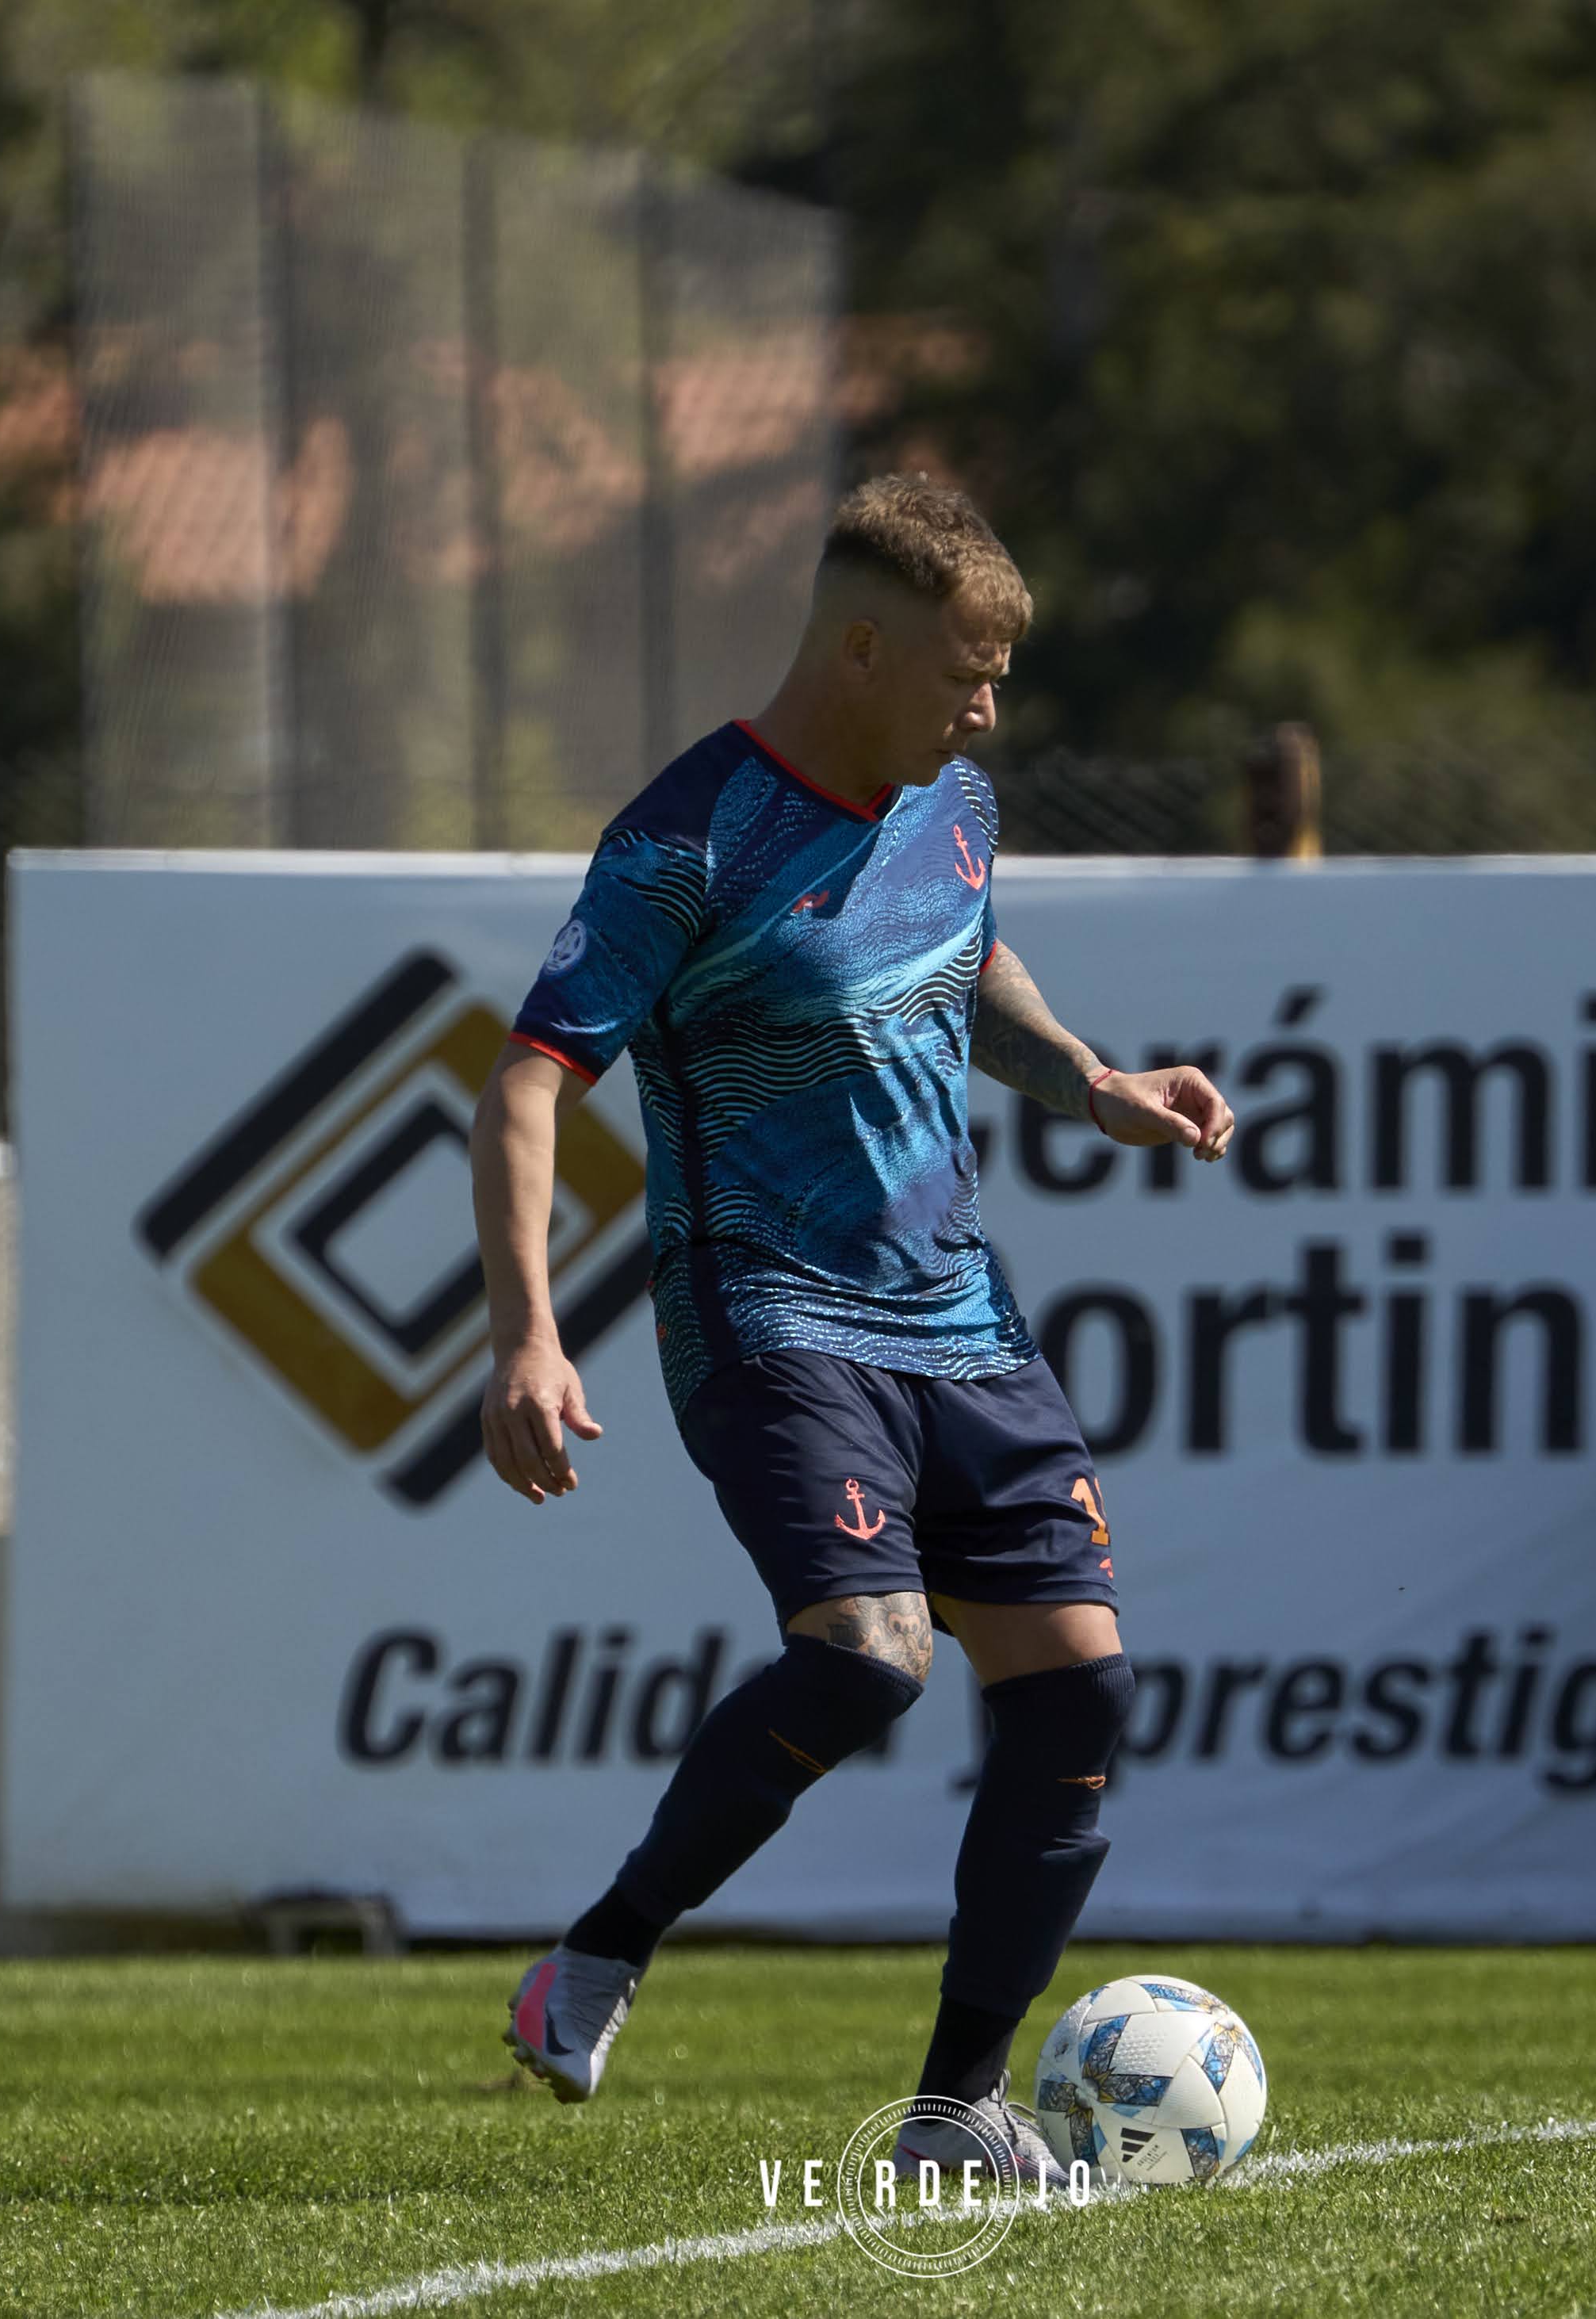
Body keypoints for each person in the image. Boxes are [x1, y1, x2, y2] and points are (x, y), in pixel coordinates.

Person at [469, 474, 1234, 2183]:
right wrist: (527, 1333)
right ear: (865, 646)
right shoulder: (689, 838)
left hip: (962, 1320)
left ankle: (954, 2110)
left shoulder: (951, 801)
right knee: (868, 1655)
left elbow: (966, 968)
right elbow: (528, 1080)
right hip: (773, 1314)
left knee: (1078, 1697)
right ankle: (599, 1950)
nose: (992, 706)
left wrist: (1098, 1083)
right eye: (970, 670)